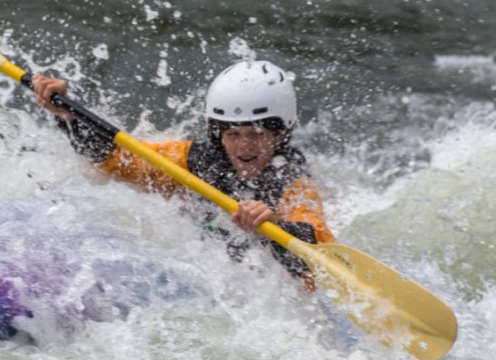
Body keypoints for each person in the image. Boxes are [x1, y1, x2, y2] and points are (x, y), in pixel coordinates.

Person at [31, 60, 335, 282]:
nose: (244, 147)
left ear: (280, 134)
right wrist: (69, 116)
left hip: (260, 290)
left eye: (256, 134)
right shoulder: (195, 160)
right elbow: (114, 161)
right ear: (218, 133)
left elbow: (319, 254)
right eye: (233, 134)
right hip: (205, 275)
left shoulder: (292, 180)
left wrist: (275, 228)